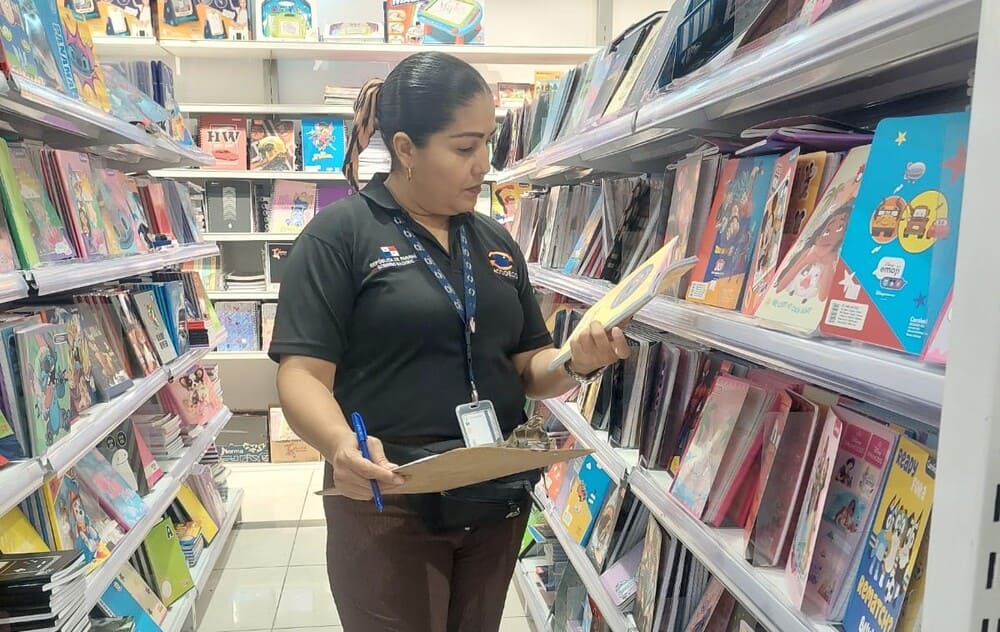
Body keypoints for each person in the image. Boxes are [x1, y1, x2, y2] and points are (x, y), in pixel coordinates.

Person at [268, 51, 630, 632]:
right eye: (464, 148)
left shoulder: (495, 242)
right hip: (390, 499)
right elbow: (302, 374)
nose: (483, 164)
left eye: (487, 142)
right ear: (406, 149)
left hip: (494, 496)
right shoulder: (338, 237)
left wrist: (574, 362)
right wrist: (339, 446)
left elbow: (527, 367)